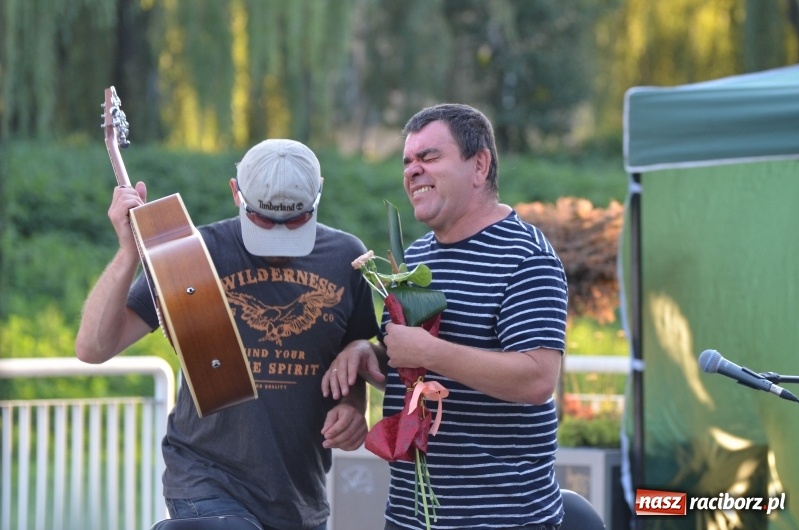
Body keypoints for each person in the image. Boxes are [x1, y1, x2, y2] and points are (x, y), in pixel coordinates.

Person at [75, 139, 379, 530]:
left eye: (296, 221)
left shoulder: (346, 258)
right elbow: (94, 348)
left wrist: (354, 405)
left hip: (298, 497)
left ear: (318, 192)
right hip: (206, 480)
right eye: (264, 222)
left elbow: (353, 355)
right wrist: (128, 253)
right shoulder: (191, 255)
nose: (279, 236)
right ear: (236, 192)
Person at [322, 104, 568, 530]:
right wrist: (368, 355)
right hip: (409, 516)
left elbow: (537, 379)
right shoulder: (415, 258)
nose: (412, 170)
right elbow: (415, 370)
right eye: (407, 161)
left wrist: (430, 351)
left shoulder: (525, 257)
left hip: (499, 518)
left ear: (480, 165)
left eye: (429, 156)